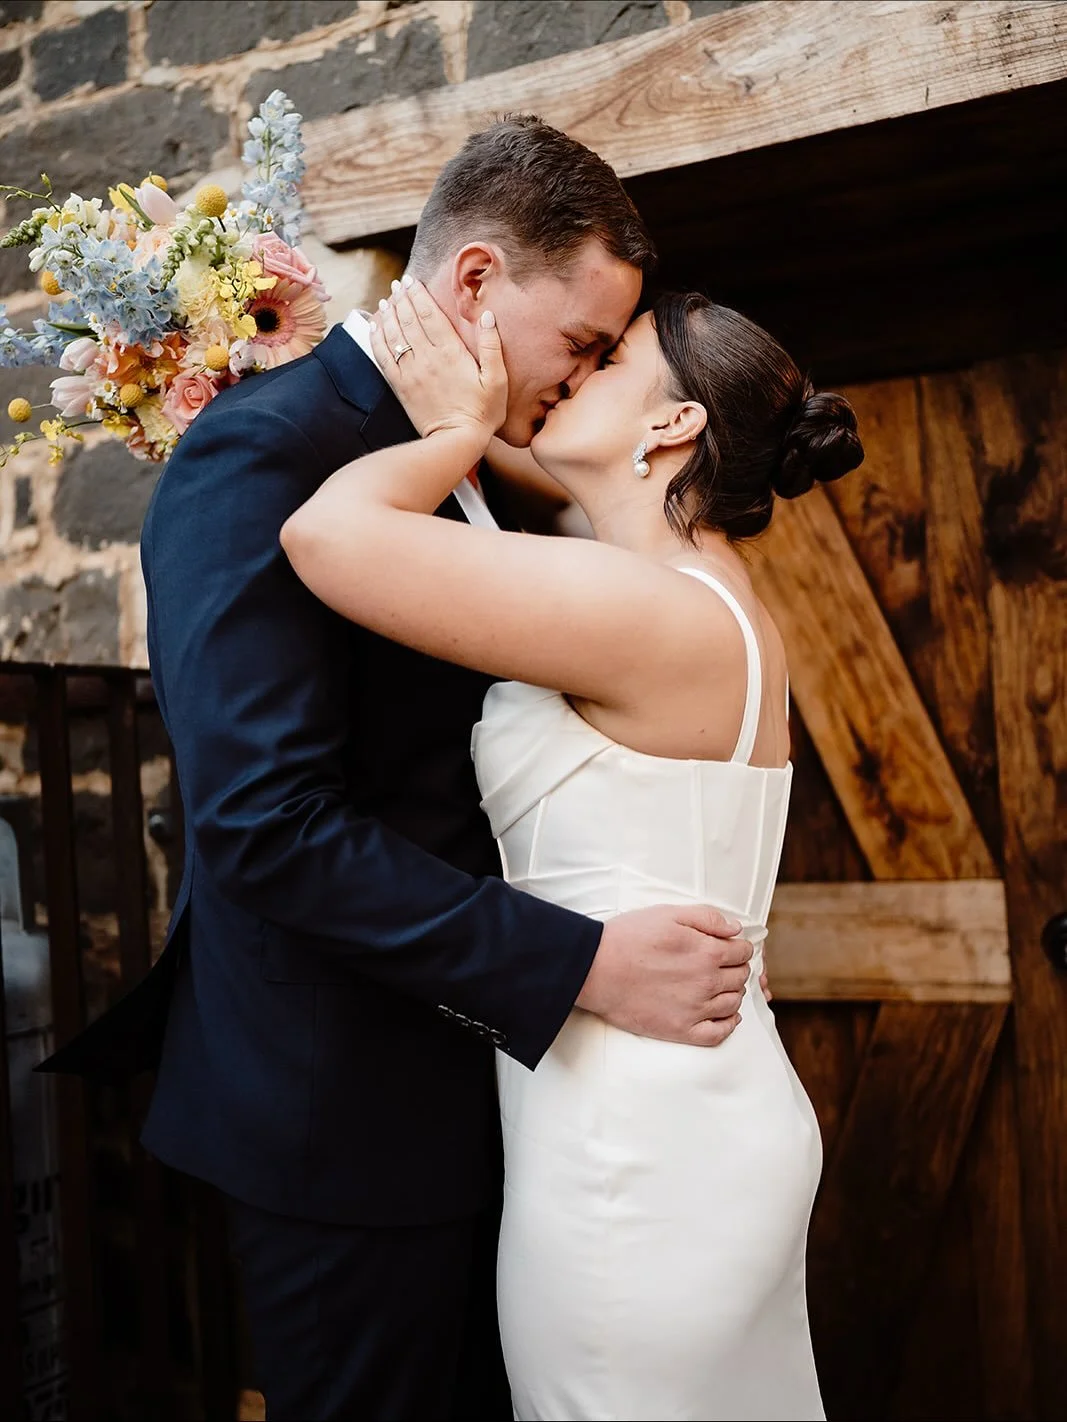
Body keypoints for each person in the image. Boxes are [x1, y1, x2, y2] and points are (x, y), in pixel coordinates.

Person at [43, 117, 762, 1420]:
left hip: (489, 1104)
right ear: (477, 281)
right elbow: (264, 822)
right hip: (346, 1121)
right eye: (585, 345)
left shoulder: (475, 453)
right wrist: (579, 964)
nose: (586, 378)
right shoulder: (263, 452)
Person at [280, 274, 864, 1420]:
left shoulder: (644, 608)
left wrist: (452, 425)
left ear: (671, 424)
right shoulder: (693, 592)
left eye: (605, 360)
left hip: (633, 1154)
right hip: (687, 1112)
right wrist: (483, 424)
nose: (568, 372)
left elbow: (326, 534)